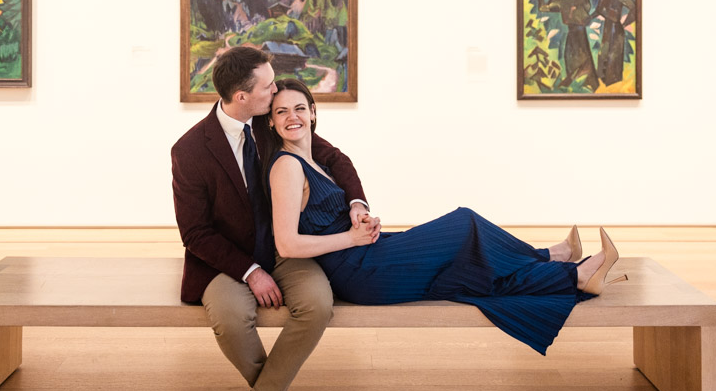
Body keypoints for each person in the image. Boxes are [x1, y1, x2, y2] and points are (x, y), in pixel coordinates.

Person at [263, 79, 620, 356]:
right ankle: (556, 261)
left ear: (312, 111)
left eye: (298, 108)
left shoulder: (313, 160)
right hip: (359, 272)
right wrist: (351, 238)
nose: (291, 117)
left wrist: (359, 218)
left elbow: (331, 201)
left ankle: (573, 274)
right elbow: (287, 243)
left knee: (469, 269)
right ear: (271, 122)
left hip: (364, 253)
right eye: (281, 112)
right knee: (465, 224)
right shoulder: (287, 168)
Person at [171, 46, 378, 391]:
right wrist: (249, 271)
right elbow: (195, 233)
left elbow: (335, 159)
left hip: (285, 249)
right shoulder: (189, 151)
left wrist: (358, 204)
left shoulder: (272, 124)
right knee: (232, 319)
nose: (277, 91)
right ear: (242, 96)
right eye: (268, 86)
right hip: (225, 261)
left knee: (318, 305)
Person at [535, 0, 599, 92]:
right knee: (585, 60)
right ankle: (587, 85)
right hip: (582, 34)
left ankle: (575, 86)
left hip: (571, 35)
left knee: (571, 61)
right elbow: (586, 8)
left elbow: (543, 7)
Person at [591, 0, 636, 86]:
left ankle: (613, 83)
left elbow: (635, 11)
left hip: (617, 32)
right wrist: (587, 18)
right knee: (603, 54)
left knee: (613, 58)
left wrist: (625, 22)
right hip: (607, 29)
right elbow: (598, 10)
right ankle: (602, 79)